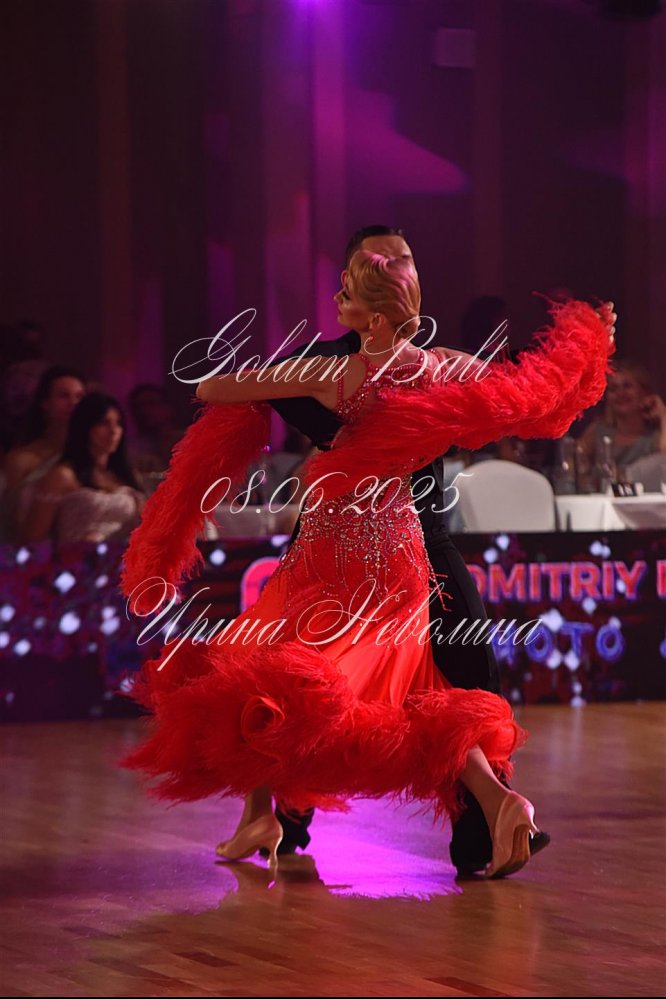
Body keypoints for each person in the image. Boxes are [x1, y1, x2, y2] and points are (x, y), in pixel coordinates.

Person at [118, 248, 615, 880]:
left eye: (347, 296)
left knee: (271, 673)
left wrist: (271, 388)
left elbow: (209, 387)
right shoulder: (447, 367)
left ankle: (266, 812)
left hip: (334, 550)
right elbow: (537, 397)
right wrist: (593, 343)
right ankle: (493, 799)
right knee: (411, 691)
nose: (336, 305)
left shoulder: (337, 374)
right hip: (403, 549)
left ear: (375, 318)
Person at [264, 226, 547, 875]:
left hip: (427, 540)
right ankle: (290, 805)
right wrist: (348, 434)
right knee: (314, 681)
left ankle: (485, 833)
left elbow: (512, 392)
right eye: (379, 259)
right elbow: (267, 388)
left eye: (405, 257)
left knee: (470, 677)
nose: (395, 266)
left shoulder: (433, 362)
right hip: (343, 550)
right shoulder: (327, 363)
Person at [22, 392, 146, 543]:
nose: (114, 431)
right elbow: (33, 539)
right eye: (104, 423)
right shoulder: (62, 476)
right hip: (77, 555)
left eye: (118, 423)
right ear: (85, 427)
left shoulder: (128, 474)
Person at [1, 365, 86, 541]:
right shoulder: (22, 459)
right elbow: (9, 519)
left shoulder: (93, 456)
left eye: (79, 397)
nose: (73, 403)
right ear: (45, 403)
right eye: (64, 396)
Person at [575, 359, 666, 477]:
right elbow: (574, 465)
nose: (620, 393)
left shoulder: (655, 437)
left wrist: (663, 415)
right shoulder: (597, 432)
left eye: (627, 386)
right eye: (613, 389)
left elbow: (663, 462)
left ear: (644, 392)